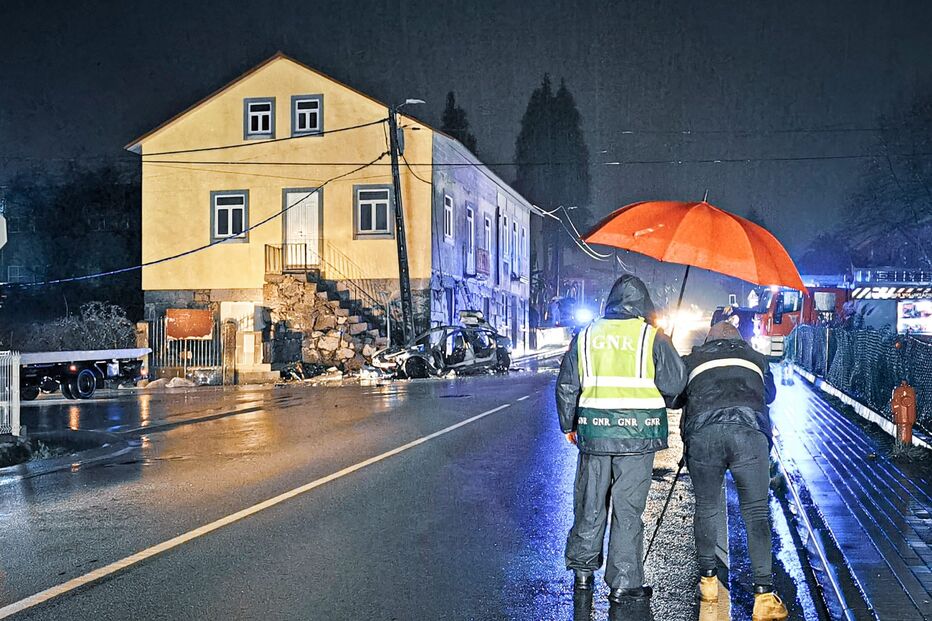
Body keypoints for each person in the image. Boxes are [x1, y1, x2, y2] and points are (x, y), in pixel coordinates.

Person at [556, 274, 687, 603]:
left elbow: (567, 384)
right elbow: (675, 386)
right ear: (643, 304)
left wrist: (569, 424)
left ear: (610, 302)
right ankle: (624, 583)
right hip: (637, 439)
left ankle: (583, 573)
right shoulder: (652, 337)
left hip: (594, 435)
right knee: (627, 511)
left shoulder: (586, 335)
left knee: (589, 505)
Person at [675, 321, 789, 621]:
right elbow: (770, 395)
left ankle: (709, 583)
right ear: (740, 341)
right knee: (755, 513)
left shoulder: (692, 360)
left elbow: (674, 398)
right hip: (750, 435)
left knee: (707, 508)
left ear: (709, 340)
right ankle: (763, 597)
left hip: (704, 437)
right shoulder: (756, 359)